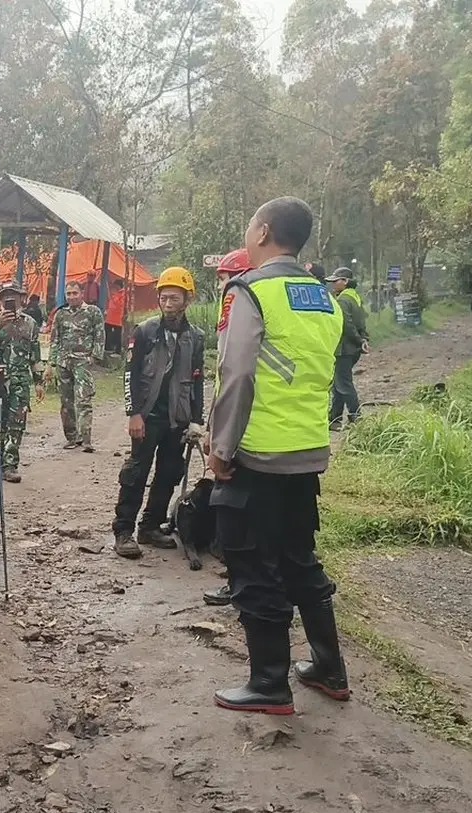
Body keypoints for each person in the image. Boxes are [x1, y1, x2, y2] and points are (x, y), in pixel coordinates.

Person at [208, 197, 348, 715]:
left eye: (250, 227)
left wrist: (221, 448)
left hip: (258, 454)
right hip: (307, 451)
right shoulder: (324, 297)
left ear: (263, 231)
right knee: (298, 559)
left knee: (252, 566)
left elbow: (238, 373)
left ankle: (269, 682)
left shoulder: (251, 290)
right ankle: (329, 667)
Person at [113, 267, 205, 559]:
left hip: (177, 419)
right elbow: (130, 373)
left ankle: (150, 526)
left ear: (187, 300)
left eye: (174, 298)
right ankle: (124, 531)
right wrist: (133, 413)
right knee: (135, 473)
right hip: (147, 416)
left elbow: (197, 379)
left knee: (169, 473)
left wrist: (196, 420)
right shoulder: (145, 331)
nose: (168, 304)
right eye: (164, 298)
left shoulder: (195, 337)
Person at [202, 247, 251, 608]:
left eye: (223, 279)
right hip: (286, 437)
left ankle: (241, 585)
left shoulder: (240, 303)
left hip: (246, 432)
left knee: (235, 512)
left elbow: (235, 376)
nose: (221, 287)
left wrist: (221, 442)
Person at [0, 281, 42, 482]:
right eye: (5, 296)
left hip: (20, 382)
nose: (9, 299)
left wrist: (39, 381)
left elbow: (34, 354)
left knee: (17, 423)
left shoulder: (30, 323)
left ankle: (10, 465)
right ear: (0, 299)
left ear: (21, 298)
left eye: (14, 295)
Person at [47, 281, 105, 451]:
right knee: (66, 402)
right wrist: (51, 363)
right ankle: (72, 437)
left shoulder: (92, 312)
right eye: (69, 294)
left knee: (83, 399)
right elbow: (55, 339)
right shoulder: (60, 314)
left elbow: (100, 335)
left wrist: (94, 357)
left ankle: (86, 439)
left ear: (82, 293)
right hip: (64, 362)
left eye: (75, 293)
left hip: (83, 361)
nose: (72, 297)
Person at [326, 267, 369, 428]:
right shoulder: (355, 297)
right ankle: (335, 419)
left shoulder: (342, 300)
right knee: (338, 384)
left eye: (335, 281)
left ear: (345, 281)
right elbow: (361, 322)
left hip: (343, 348)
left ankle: (356, 417)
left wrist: (358, 340)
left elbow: (346, 324)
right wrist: (363, 339)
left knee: (344, 384)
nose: (333, 284)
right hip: (352, 349)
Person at [104, 278, 127, 355]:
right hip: (110, 317)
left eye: (115, 286)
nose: (114, 287)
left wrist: (113, 296)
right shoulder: (115, 293)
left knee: (117, 334)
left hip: (117, 317)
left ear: (118, 286)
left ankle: (118, 351)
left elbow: (119, 304)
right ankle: (107, 348)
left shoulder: (123, 294)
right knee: (107, 332)